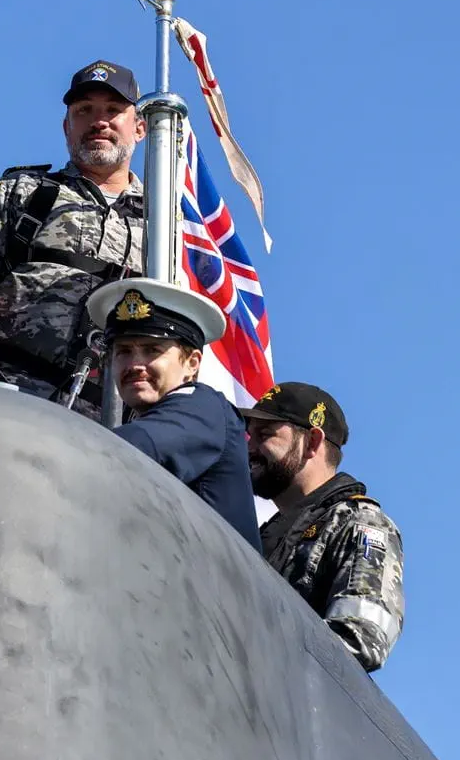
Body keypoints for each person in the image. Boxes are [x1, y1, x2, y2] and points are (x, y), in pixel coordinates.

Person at [0, 61, 147, 419]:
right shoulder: (26, 192)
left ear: (140, 128)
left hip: (111, 419)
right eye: (84, 111)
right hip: (10, 395)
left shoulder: (167, 223)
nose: (99, 121)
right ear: (67, 127)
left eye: (113, 111)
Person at [84, 277, 261, 550]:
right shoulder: (145, 418)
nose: (135, 364)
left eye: (152, 350)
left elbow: (134, 448)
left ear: (191, 364)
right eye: (124, 352)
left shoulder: (203, 407)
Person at [240, 383, 404, 672]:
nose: (249, 447)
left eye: (264, 435)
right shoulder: (270, 532)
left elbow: (361, 639)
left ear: (313, 442)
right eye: (249, 434)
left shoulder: (362, 524)